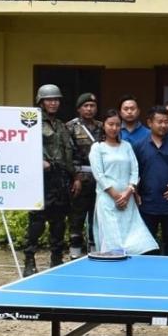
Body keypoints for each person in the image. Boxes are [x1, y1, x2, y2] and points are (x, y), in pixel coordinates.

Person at [23, 84, 79, 275]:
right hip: (41, 178)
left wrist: (75, 177)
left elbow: (68, 153)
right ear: (41, 101)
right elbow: (23, 146)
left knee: (59, 222)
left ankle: (56, 259)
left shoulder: (62, 125)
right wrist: (36, 161)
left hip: (61, 177)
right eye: (49, 100)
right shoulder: (32, 122)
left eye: (56, 99)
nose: (53, 103)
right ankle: (29, 259)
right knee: (37, 221)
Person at [88, 109, 158, 255]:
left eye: (117, 125)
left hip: (128, 200)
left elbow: (135, 170)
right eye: (110, 124)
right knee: (112, 241)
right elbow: (99, 175)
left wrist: (127, 193)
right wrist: (116, 196)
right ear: (104, 126)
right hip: (107, 201)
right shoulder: (97, 148)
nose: (114, 128)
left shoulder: (126, 146)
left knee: (140, 241)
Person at [133, 106, 168, 257]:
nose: (164, 125)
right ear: (149, 123)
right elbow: (133, 172)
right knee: (147, 244)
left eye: (166, 122)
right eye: (160, 122)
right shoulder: (139, 146)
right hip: (147, 203)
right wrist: (135, 192)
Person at [65, 92, 102, 258]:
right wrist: (76, 177)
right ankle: (75, 252)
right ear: (79, 109)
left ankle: (95, 249)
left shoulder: (102, 126)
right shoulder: (70, 127)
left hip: (99, 179)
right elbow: (68, 155)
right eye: (85, 106)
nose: (89, 109)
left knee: (97, 215)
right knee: (77, 216)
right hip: (79, 178)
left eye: (92, 106)